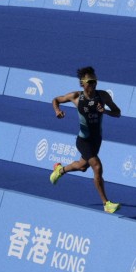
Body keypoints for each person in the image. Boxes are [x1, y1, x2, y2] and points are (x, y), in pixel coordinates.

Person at [49, 67, 122, 214]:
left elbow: (118, 113)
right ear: (82, 83)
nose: (93, 84)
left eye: (95, 81)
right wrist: (57, 111)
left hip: (96, 140)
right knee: (96, 166)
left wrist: (105, 111)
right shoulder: (76, 97)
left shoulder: (103, 96)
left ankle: (60, 170)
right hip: (83, 140)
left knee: (83, 166)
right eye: (90, 81)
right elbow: (56, 100)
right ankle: (106, 203)